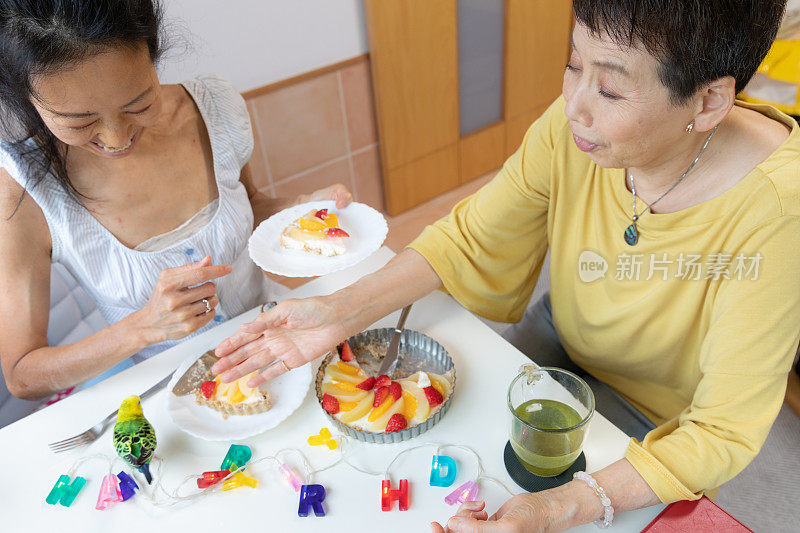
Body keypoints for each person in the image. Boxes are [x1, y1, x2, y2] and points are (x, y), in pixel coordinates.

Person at [213, 1, 800, 530]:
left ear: (709, 101)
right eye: (575, 64)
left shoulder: (778, 211)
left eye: (612, 91)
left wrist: (555, 508)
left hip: (660, 419)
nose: (575, 107)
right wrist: (336, 312)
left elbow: (721, 430)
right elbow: (472, 236)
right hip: (561, 341)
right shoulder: (574, 130)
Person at [0, 0, 351, 401]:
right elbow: (22, 375)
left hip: (281, 347)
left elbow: (253, 209)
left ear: (154, 56)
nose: (117, 139)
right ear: (26, 99)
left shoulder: (212, 108)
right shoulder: (23, 187)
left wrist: (307, 208)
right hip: (175, 399)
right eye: (79, 122)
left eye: (140, 103)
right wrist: (145, 327)